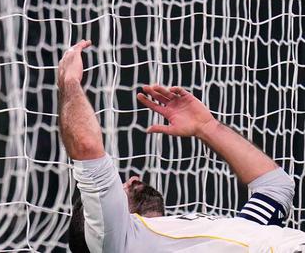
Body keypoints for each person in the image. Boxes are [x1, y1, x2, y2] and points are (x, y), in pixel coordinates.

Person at [59, 40, 305, 251]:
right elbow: (86, 144)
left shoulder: (219, 235)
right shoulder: (114, 242)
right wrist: (69, 81)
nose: (133, 179)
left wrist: (207, 128)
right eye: (118, 187)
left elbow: (275, 187)